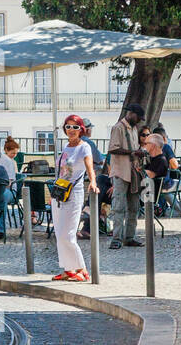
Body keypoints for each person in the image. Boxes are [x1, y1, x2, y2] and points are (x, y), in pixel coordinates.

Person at [51, 114, 97, 281]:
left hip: (73, 193)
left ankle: (81, 269)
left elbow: (89, 166)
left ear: (81, 130)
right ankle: (68, 269)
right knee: (59, 233)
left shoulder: (84, 147)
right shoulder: (65, 147)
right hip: (59, 193)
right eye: (68, 126)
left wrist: (93, 181)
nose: (71, 130)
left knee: (68, 234)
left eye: (75, 127)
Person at [106, 103, 145, 249]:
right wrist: (133, 152)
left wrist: (139, 152)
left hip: (133, 172)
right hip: (121, 172)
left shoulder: (134, 128)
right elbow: (113, 149)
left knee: (134, 207)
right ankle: (116, 238)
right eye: (139, 117)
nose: (140, 121)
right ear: (131, 114)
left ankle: (129, 237)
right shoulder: (118, 128)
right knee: (119, 206)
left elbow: (134, 149)